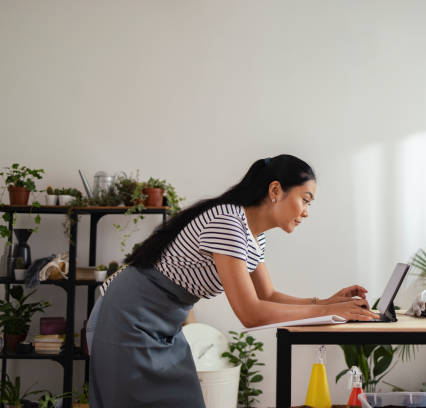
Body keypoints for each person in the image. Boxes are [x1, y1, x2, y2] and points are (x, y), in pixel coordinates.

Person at [86, 154, 378, 407]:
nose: (306, 212)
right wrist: (328, 312)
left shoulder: (254, 236)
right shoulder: (228, 221)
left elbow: (268, 296)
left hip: (161, 325)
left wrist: (327, 303)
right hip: (126, 318)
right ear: (275, 190)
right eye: (305, 199)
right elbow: (251, 313)